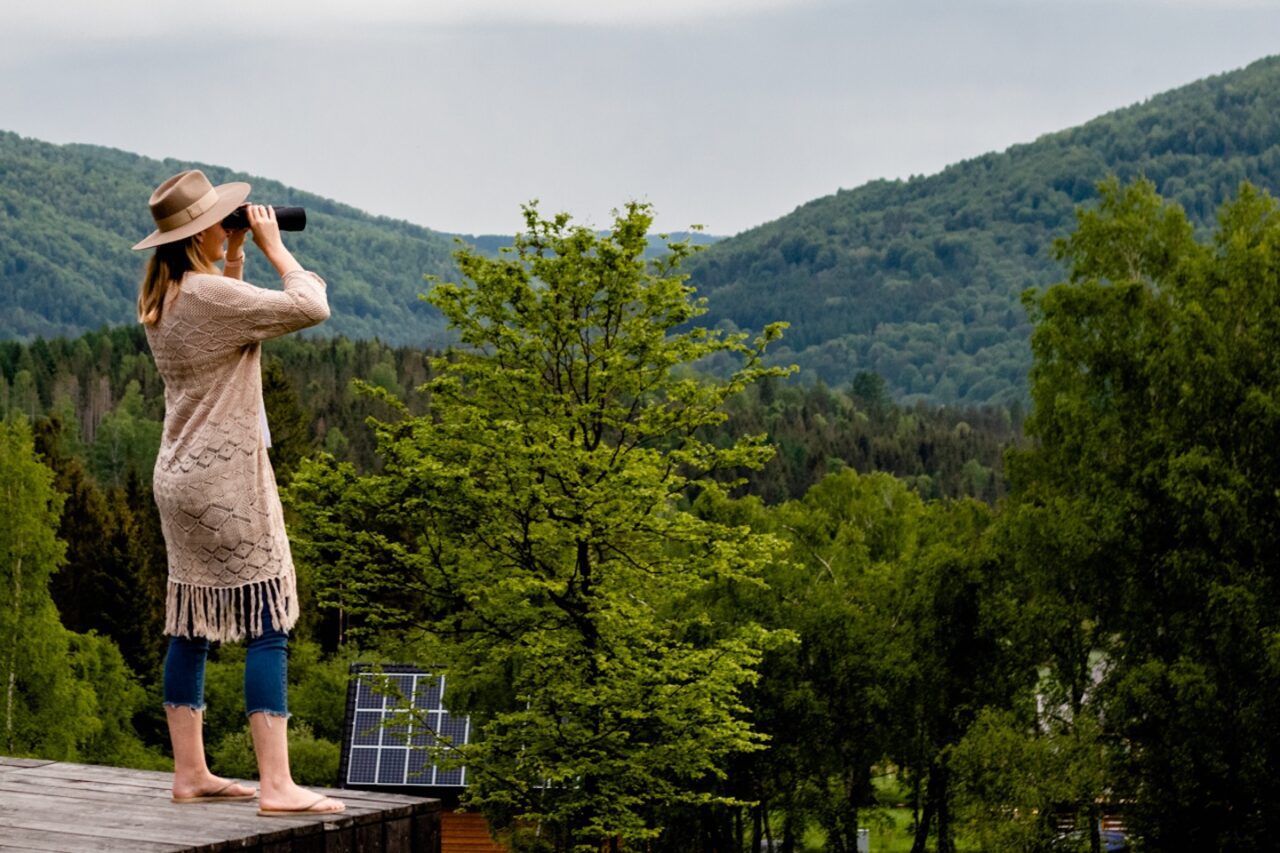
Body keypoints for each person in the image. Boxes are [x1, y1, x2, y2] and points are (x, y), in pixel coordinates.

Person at [133, 169, 343, 816]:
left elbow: (218, 314)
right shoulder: (206, 299)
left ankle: (190, 771)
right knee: (268, 620)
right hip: (227, 481)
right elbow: (310, 306)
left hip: (177, 478)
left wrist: (232, 253)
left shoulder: (165, 296)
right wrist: (278, 250)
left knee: (190, 620)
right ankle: (277, 785)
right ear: (199, 233)